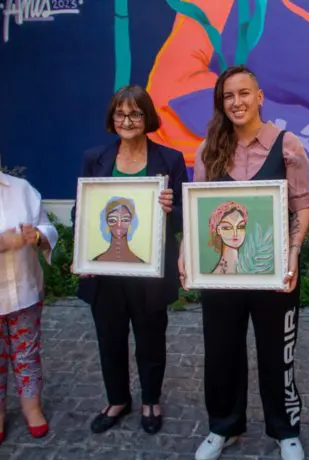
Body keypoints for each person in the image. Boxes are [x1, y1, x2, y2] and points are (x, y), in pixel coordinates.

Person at [178, 65, 309, 460]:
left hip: (274, 272)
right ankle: (224, 426)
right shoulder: (209, 149)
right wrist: (187, 252)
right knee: (222, 352)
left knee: (277, 353)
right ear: (221, 103)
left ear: (259, 97)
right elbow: (198, 209)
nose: (236, 102)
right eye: (228, 96)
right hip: (222, 276)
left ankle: (285, 430)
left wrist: (293, 252)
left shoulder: (287, 145)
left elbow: (301, 206)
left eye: (243, 93)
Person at [71, 84, 188, 435]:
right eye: (120, 113)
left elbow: (184, 217)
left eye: (135, 113)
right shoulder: (95, 158)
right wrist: (83, 252)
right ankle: (117, 399)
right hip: (105, 273)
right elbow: (82, 212)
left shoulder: (170, 160)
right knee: (110, 339)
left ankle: (151, 399)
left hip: (150, 272)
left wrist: (169, 209)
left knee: (151, 340)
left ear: (147, 117)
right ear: (112, 118)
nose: (127, 120)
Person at [0, 170, 58, 443]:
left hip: (25, 291)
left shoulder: (21, 188)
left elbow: (47, 228)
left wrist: (38, 235)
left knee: (28, 354)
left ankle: (32, 407)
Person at [92, 197, 144, 263]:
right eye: (112, 220)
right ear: (106, 223)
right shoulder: (94, 262)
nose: (119, 225)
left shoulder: (141, 264)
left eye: (125, 220)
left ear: (131, 223)